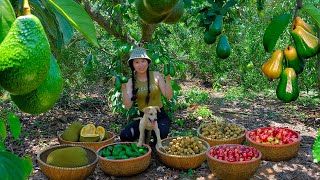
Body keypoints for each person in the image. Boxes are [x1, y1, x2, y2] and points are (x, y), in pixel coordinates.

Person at [118, 47, 173, 145]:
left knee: (161, 133)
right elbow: (127, 106)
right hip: (143, 117)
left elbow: (168, 96)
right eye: (137, 62)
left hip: (159, 115)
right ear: (133, 65)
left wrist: (167, 79)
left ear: (147, 62)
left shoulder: (156, 75)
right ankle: (145, 136)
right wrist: (123, 89)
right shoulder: (131, 82)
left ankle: (152, 140)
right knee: (125, 136)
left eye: (143, 61)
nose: (140, 65)